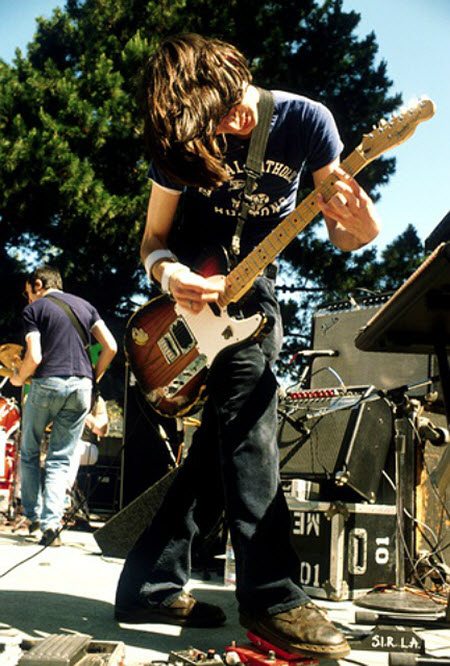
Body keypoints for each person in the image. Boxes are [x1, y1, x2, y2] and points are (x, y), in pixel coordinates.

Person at [115, 33, 380, 660]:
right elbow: (153, 238)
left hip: (255, 301)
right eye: (215, 124)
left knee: (227, 439)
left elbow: (345, 233)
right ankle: (273, 598)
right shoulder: (179, 143)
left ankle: (153, 585)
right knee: (244, 430)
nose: (233, 122)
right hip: (191, 301)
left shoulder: (305, 121)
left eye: (232, 103)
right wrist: (169, 275)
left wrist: (361, 231)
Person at [11, 265, 117, 546]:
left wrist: (18, 377)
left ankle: (34, 519)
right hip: (82, 388)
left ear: (37, 284)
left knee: (30, 451)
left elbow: (34, 356)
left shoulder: (34, 310)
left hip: (47, 384)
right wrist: (93, 378)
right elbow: (111, 346)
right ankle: (51, 526)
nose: (28, 300)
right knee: (60, 458)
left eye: (28, 293)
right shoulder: (86, 307)